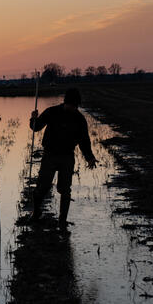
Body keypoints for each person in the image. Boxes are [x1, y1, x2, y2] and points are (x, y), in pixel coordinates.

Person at [29, 87, 97, 227]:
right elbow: (36, 127)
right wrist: (33, 119)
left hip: (67, 157)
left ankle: (62, 220)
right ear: (65, 102)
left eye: (75, 106)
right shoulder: (52, 112)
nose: (73, 108)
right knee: (42, 186)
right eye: (71, 105)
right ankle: (36, 213)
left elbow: (84, 140)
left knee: (65, 189)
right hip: (50, 155)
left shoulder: (79, 119)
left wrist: (89, 157)